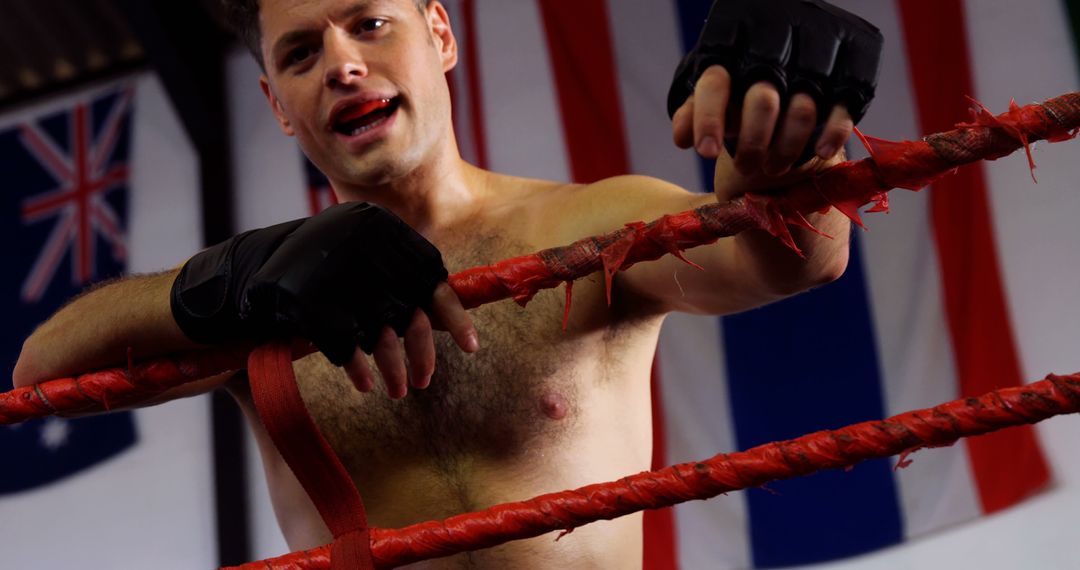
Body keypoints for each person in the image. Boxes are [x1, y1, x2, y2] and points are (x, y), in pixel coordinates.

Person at [14, 0, 882, 566]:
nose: (342, 65)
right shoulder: (271, 297)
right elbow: (40, 379)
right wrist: (231, 275)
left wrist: (793, 157)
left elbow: (790, 262)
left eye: (369, 24)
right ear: (278, 103)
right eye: (302, 53)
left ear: (439, 32)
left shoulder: (580, 227)